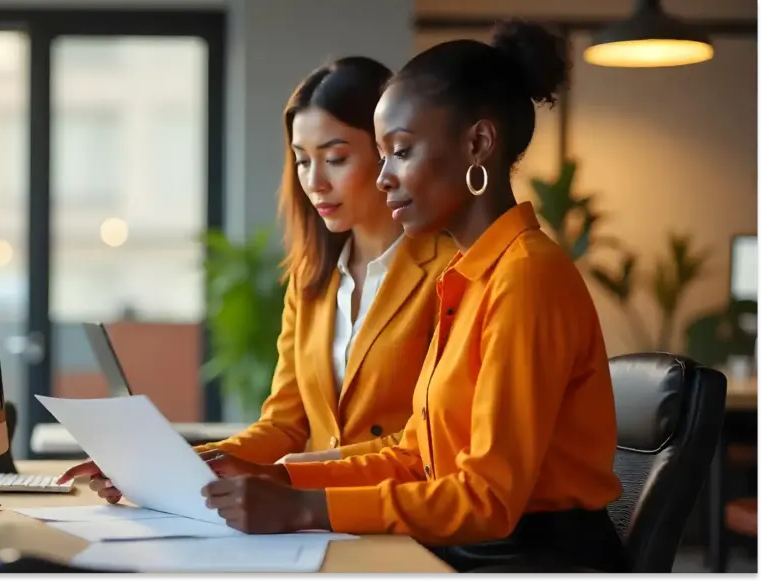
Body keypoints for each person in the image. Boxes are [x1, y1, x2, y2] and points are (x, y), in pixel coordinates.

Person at [197, 21, 627, 574]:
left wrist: (308, 506)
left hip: (529, 557)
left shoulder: (526, 276)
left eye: (400, 152)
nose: (384, 178)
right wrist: (283, 476)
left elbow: (485, 500)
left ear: (477, 144)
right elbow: (413, 455)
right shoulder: (473, 275)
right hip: (473, 546)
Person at [58, 57, 455, 498]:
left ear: (388, 151)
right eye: (302, 161)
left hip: (393, 511)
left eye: (336, 158)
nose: (315, 181)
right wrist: (170, 465)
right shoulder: (313, 281)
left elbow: (430, 441)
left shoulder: (450, 272)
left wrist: (288, 474)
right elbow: (284, 425)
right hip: (318, 517)